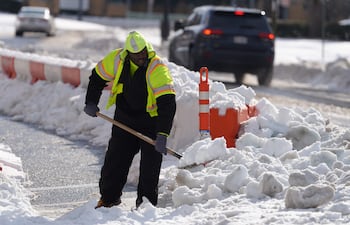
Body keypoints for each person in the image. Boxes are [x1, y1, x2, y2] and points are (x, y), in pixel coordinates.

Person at [83, 31, 176, 209]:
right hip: (125, 118)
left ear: (146, 49)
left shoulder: (157, 68)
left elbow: (167, 103)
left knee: (150, 168)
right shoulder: (117, 59)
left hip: (151, 122)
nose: (141, 57)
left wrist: (162, 134)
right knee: (115, 160)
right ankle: (109, 199)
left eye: (143, 52)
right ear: (128, 53)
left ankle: (145, 206)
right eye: (136, 54)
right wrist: (91, 101)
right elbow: (96, 77)